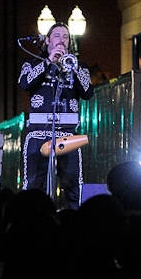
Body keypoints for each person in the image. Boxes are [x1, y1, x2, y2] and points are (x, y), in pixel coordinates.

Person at [18, 22, 92, 209]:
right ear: (48, 40)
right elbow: (25, 84)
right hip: (38, 132)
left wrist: (74, 69)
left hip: (68, 132)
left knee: (73, 185)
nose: (62, 40)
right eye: (57, 36)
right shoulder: (32, 62)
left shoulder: (79, 67)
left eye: (65, 37)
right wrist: (48, 62)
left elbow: (88, 93)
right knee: (33, 185)